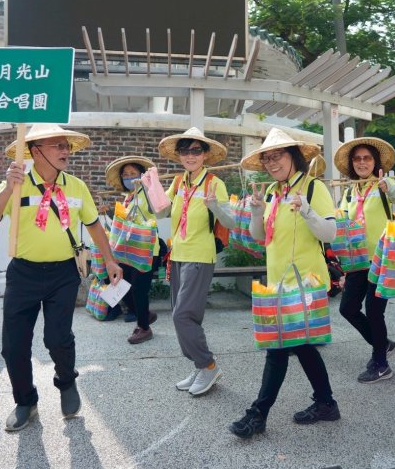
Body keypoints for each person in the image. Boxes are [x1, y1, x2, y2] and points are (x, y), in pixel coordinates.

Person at [0, 123, 123, 432]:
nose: (65, 151)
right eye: (57, 145)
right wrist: (7, 189)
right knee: (13, 345)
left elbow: (94, 225)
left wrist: (110, 260)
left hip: (64, 273)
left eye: (66, 145)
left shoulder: (77, 187)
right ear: (36, 151)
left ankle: (67, 382)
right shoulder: (15, 183)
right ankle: (25, 401)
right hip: (23, 274)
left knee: (57, 338)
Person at [229, 127, 339, 439]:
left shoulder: (314, 187)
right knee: (301, 347)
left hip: (305, 284)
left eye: (278, 155)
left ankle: (257, 414)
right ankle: (326, 403)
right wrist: (256, 213)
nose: (272, 162)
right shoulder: (271, 193)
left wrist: (307, 211)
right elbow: (261, 237)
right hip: (278, 284)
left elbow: (330, 234)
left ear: (294, 156)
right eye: (267, 158)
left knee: (277, 349)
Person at [148, 127, 235, 396]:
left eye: (196, 150)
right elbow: (161, 213)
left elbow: (231, 222)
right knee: (184, 316)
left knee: (182, 315)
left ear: (205, 154)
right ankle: (199, 365)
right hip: (177, 255)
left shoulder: (215, 184)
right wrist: (152, 188)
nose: (190, 155)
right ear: (179, 155)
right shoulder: (178, 183)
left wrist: (215, 206)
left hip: (200, 256)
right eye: (185, 150)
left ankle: (208, 365)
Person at [333, 137, 395, 382]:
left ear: (375, 162)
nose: (362, 162)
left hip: (381, 260)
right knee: (347, 309)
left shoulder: (384, 184)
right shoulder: (350, 191)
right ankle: (383, 344)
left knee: (374, 312)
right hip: (356, 261)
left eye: (367, 158)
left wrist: (387, 187)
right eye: (357, 159)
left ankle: (381, 364)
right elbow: (342, 220)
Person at [103, 155, 160, 343]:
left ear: (141, 175)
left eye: (133, 173)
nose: (129, 177)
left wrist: (151, 184)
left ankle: (144, 328)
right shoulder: (128, 196)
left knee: (138, 289)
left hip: (146, 250)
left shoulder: (148, 193)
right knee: (120, 284)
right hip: (127, 250)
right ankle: (144, 314)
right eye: (125, 175)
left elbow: (159, 209)